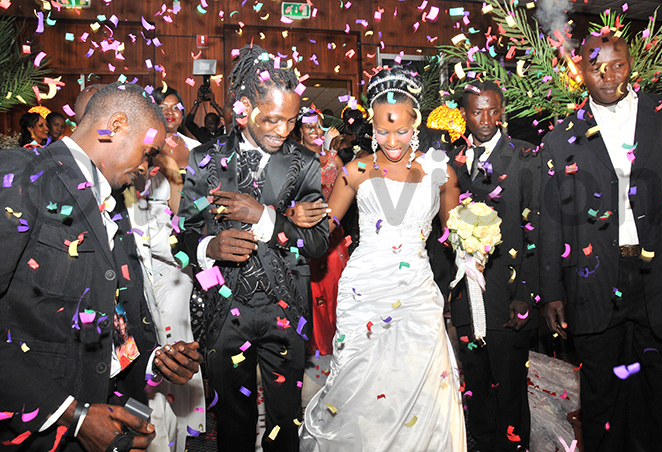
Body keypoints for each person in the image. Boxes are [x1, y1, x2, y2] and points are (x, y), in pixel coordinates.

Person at [0, 82, 203, 452]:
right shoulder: (22, 175)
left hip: (100, 412)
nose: (145, 169)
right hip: (34, 424)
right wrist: (71, 414)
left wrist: (152, 360)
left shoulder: (114, 203)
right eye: (147, 153)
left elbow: (106, 304)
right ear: (117, 125)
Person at [299, 65, 466, 451]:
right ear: (371, 127)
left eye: (402, 130)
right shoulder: (356, 168)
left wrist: (476, 238)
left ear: (417, 124)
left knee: (419, 379)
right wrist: (291, 227)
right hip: (365, 289)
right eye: (382, 130)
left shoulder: (439, 170)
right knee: (362, 380)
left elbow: (457, 232)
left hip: (418, 291)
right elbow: (325, 227)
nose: (392, 140)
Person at [176, 44, 328, 452]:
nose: (283, 130)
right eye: (273, 119)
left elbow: (317, 241)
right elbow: (182, 236)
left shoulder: (306, 163)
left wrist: (265, 216)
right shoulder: (204, 160)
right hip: (224, 312)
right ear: (243, 108)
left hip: (286, 310)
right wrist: (210, 245)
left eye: (291, 120)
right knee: (233, 423)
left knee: (284, 422)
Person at [539, 33, 662, 452]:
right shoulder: (561, 138)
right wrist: (551, 290)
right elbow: (550, 222)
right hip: (595, 282)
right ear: (580, 71)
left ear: (631, 66)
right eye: (597, 66)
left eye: (617, 65)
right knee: (601, 395)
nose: (608, 75)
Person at [447, 80, 540, 452]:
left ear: (502, 112)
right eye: (476, 111)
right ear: (465, 114)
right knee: (477, 385)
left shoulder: (526, 156)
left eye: (492, 110)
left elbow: (538, 230)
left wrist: (527, 294)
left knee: (510, 386)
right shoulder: (452, 159)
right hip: (466, 297)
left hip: (507, 295)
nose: (485, 119)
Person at [124, 85, 205, 452]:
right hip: (138, 251)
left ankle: (185, 423)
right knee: (147, 336)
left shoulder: (195, 149)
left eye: (177, 107)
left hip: (175, 260)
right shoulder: (137, 146)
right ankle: (152, 422)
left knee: (175, 333)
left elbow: (194, 210)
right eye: (163, 107)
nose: (170, 112)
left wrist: (175, 172)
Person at [292, 106, 348, 356]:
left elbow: (345, 194)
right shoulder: (295, 157)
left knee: (336, 287)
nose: (315, 131)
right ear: (300, 133)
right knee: (312, 292)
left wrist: (329, 152)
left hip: (332, 231)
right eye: (308, 127)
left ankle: (341, 339)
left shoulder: (334, 157)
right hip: (304, 232)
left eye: (318, 125)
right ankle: (316, 342)